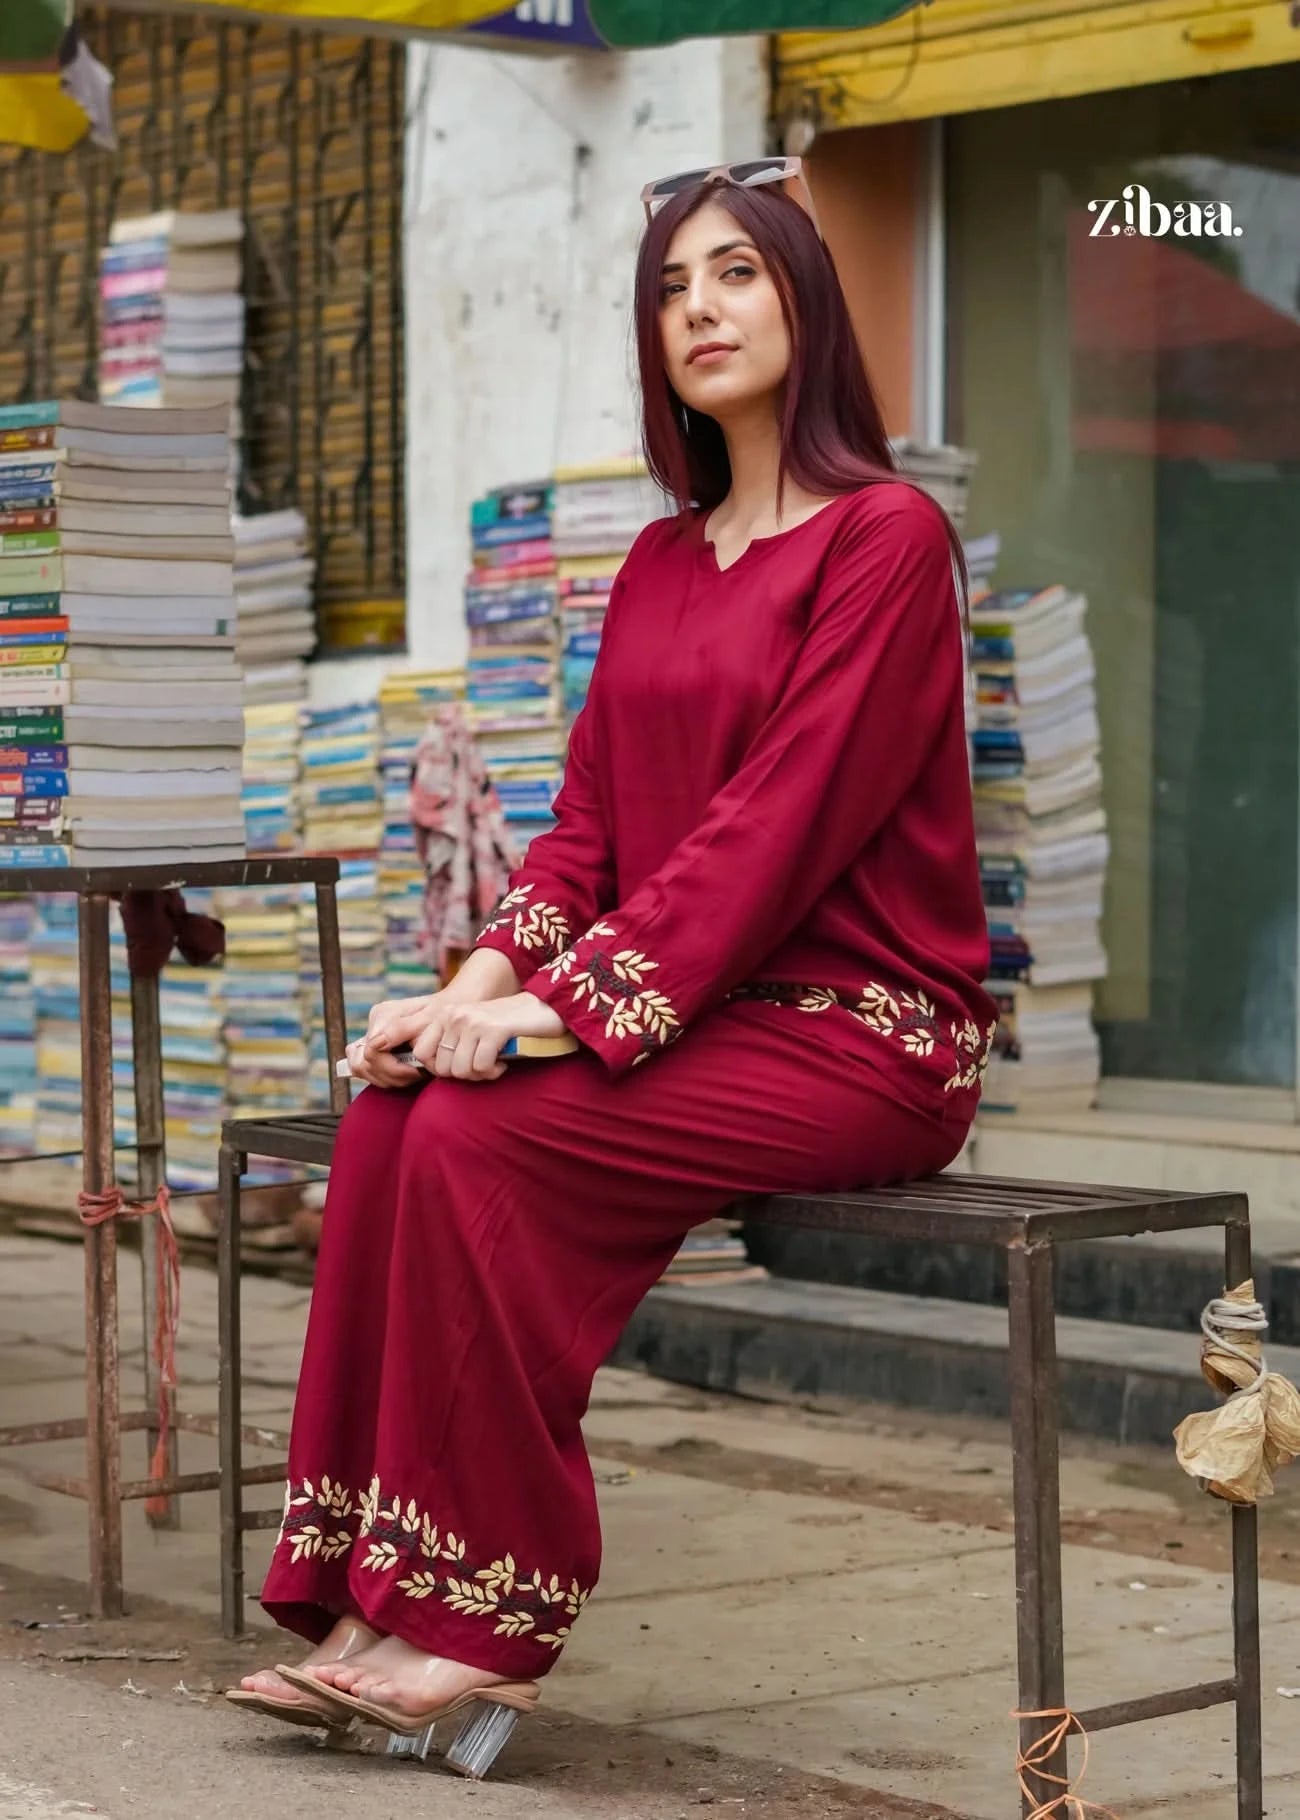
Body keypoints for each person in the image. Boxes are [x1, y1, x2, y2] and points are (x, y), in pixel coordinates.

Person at [227, 155, 997, 1776]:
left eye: (735, 274)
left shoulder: (888, 539)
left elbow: (774, 827)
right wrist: (465, 994)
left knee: (484, 1136)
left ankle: (482, 1612)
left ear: (805, 297)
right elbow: (587, 838)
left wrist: (553, 1030)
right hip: (698, 1010)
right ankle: (383, 1590)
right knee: (394, 1121)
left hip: (861, 1031)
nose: (699, 310)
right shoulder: (659, 562)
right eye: (669, 288)